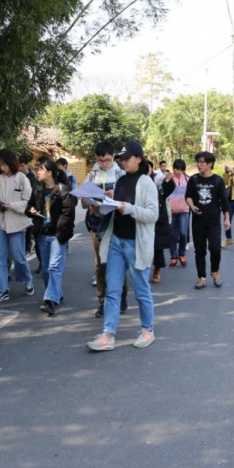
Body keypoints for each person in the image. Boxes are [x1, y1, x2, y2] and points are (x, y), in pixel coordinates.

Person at [86, 141, 158, 352]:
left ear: (138, 158)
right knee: (112, 290)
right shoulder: (121, 181)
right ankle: (108, 334)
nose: (124, 162)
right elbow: (116, 209)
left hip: (136, 244)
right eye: (122, 159)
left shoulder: (146, 183)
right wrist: (104, 202)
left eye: (127, 158)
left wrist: (130, 208)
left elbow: (153, 215)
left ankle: (147, 330)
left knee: (142, 290)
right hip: (116, 241)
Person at [81, 141, 126, 318]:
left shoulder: (121, 174)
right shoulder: (92, 174)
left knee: (117, 262)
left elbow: (128, 200)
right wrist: (86, 200)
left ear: (112, 156)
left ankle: (121, 297)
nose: (103, 164)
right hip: (96, 223)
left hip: (117, 224)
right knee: (100, 264)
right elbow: (84, 199)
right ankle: (102, 301)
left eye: (106, 160)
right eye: (100, 160)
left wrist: (115, 196)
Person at [27, 159, 75, 316]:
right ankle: (56, 294)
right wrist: (31, 210)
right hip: (42, 234)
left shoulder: (62, 190)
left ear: (50, 172)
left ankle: (49, 301)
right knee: (47, 270)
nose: (37, 172)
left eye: (40, 169)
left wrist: (61, 234)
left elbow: (68, 214)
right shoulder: (38, 190)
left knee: (54, 267)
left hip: (57, 235)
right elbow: (29, 207)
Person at [0, 149, 35, 302]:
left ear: (12, 163)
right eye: (0, 164)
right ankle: (2, 290)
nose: (2, 167)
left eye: (5, 164)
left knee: (18, 256)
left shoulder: (22, 178)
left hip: (17, 223)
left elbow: (27, 201)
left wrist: (12, 205)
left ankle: (27, 280)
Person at [186, 151, 230, 289]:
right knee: (199, 251)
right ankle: (201, 277)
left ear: (210, 164)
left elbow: (224, 201)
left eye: (201, 162)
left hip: (213, 222)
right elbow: (188, 196)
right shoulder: (193, 180)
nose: (199, 165)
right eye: (197, 162)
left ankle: (215, 271)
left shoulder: (218, 180)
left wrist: (227, 219)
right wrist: (192, 207)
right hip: (198, 221)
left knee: (215, 249)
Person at [147, 160, 175, 283]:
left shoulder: (158, 181)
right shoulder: (136, 181)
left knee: (157, 247)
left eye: (147, 168)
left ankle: (157, 269)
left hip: (158, 219)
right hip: (143, 219)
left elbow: (167, 191)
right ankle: (143, 270)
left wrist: (168, 182)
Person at [167, 159, 190, 268]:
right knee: (172, 234)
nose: (178, 171)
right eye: (176, 169)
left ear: (183, 170)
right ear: (173, 168)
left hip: (184, 210)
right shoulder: (169, 179)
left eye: (180, 169)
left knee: (183, 233)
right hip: (171, 211)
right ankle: (173, 257)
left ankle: (182, 254)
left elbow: (191, 194)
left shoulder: (187, 179)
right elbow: (163, 191)